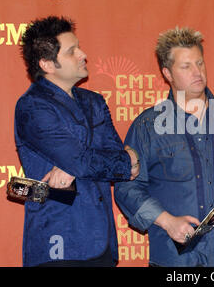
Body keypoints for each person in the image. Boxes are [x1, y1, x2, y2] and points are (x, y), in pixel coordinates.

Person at [114, 27, 214, 267]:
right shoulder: (148, 125)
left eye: (200, 63)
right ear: (167, 73)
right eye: (186, 67)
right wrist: (167, 221)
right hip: (176, 259)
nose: (197, 72)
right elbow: (127, 187)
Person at [15, 16, 140, 267]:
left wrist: (128, 159)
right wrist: (123, 160)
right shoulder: (33, 106)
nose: (83, 54)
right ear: (48, 64)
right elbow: (93, 162)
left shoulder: (94, 101)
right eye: (72, 51)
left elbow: (121, 160)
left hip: (101, 241)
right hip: (58, 242)